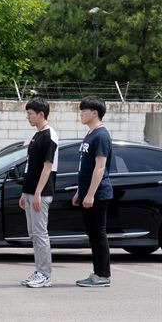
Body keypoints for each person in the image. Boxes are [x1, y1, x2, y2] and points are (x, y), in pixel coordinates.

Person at [73, 96, 113, 287]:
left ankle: (103, 275)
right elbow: (85, 168)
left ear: (94, 113)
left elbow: (100, 167)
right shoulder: (90, 134)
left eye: (84, 110)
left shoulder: (101, 135)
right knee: (93, 235)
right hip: (87, 193)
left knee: (98, 235)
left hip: (98, 194)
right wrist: (80, 192)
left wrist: (90, 194)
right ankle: (97, 273)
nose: (81, 114)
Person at [18, 97, 58, 288]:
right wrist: (24, 193)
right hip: (30, 193)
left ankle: (45, 274)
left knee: (40, 233)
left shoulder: (50, 135)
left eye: (30, 114)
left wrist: (38, 193)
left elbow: (47, 166)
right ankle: (39, 270)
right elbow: (30, 167)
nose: (28, 117)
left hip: (40, 193)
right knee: (34, 233)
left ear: (41, 114)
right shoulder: (37, 135)